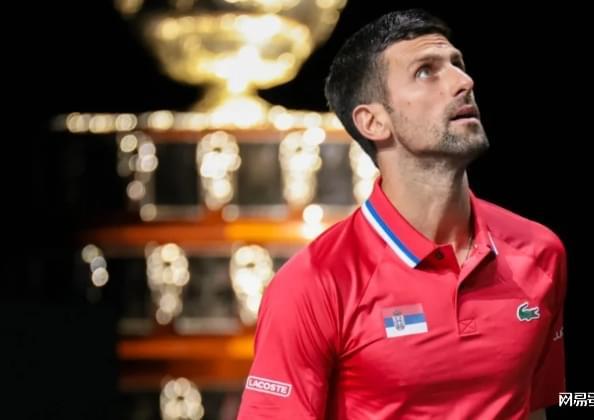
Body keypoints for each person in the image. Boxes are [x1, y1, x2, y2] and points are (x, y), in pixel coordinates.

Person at [237, 9, 567, 420]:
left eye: (458, 64)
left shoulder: (540, 252)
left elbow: (533, 407)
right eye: (426, 72)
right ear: (373, 122)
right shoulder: (312, 284)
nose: (463, 82)